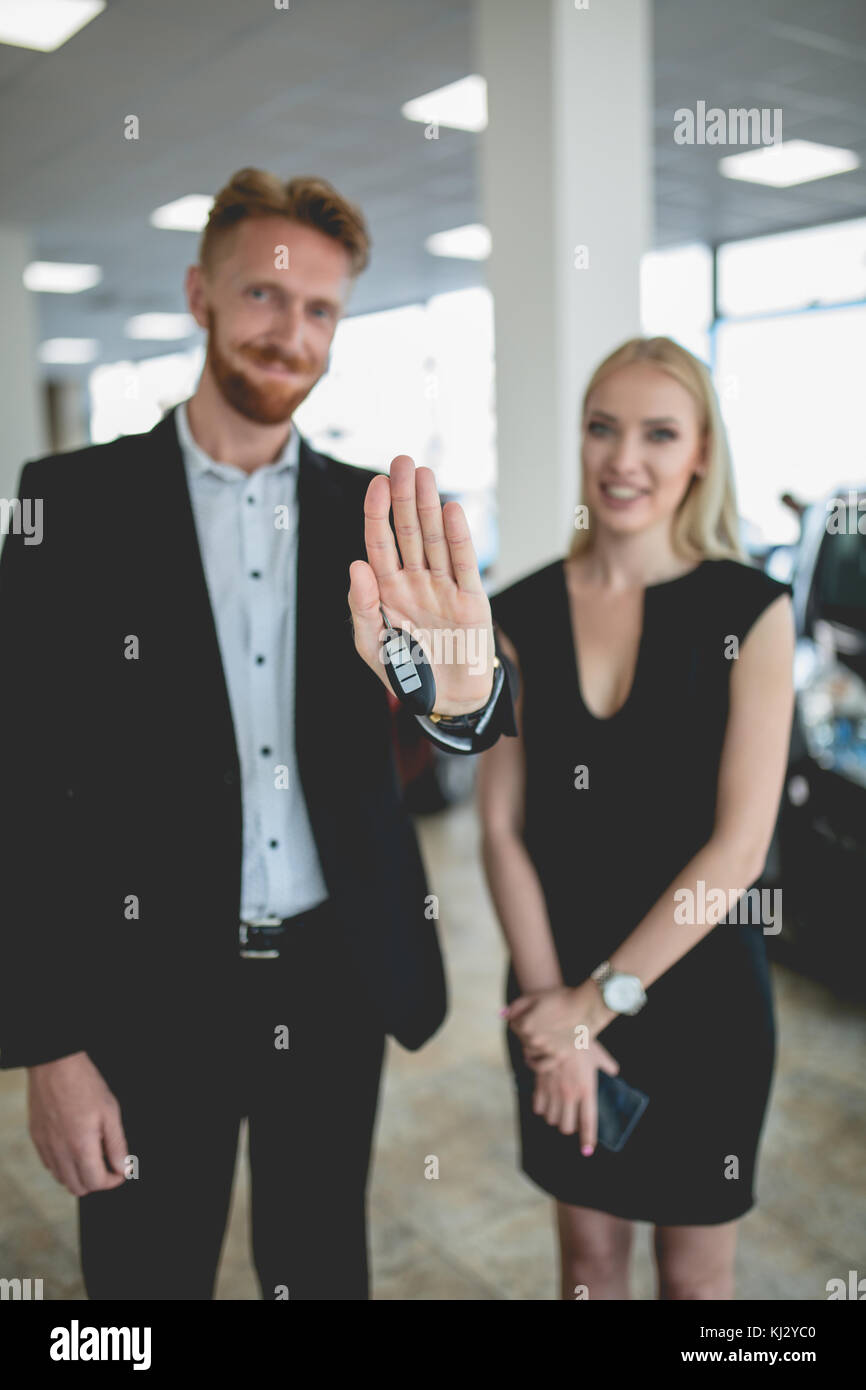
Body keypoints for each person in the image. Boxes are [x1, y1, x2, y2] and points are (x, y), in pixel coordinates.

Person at [0, 167, 516, 1300]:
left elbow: (470, 708)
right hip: (143, 988)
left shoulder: (370, 514)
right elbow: (22, 784)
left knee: (320, 1266)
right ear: (199, 293)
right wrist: (49, 1042)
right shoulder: (69, 504)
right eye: (264, 297)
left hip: (335, 977)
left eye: (321, 308)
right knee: (140, 1283)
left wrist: (465, 691)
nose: (291, 333)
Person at [478, 336, 795, 1301]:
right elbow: (500, 830)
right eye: (603, 428)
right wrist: (554, 1017)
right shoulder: (516, 612)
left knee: (696, 1282)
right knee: (588, 1265)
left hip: (700, 1002)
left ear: (701, 451)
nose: (625, 459)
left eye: (660, 433)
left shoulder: (753, 611)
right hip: (551, 983)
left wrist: (597, 1005)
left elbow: (738, 849)